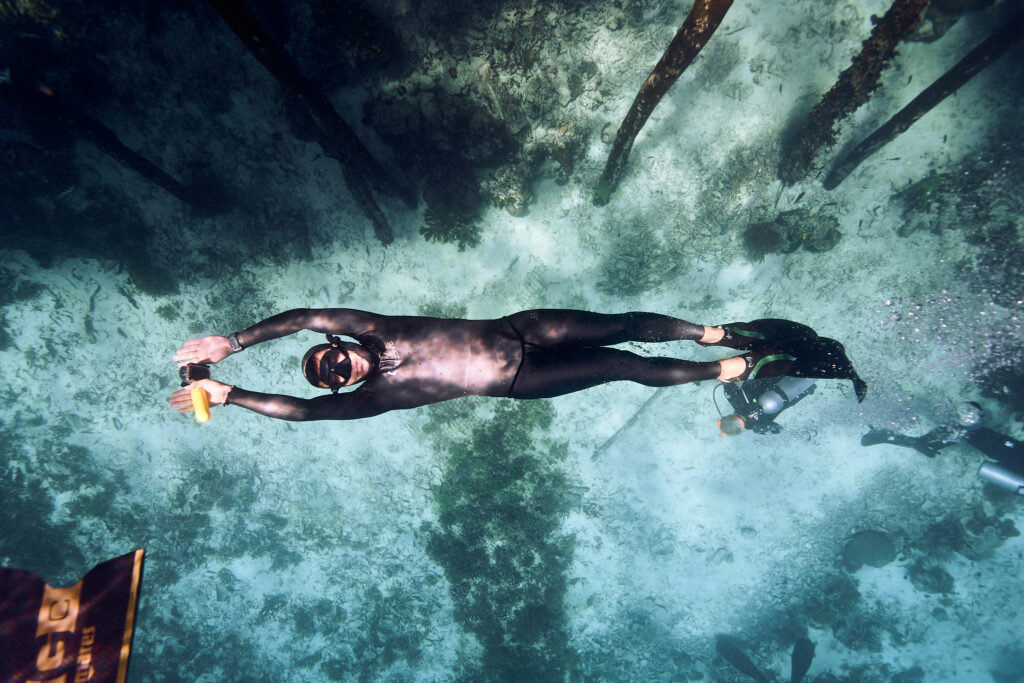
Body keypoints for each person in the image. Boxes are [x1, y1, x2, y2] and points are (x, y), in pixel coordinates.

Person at [169, 308, 866, 421]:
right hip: (519, 380)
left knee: (623, 322)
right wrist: (229, 396)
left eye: (331, 358)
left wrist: (232, 342)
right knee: (624, 363)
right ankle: (731, 372)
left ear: (337, 344)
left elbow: (302, 316)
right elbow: (299, 412)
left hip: (520, 327)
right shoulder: (370, 397)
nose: (339, 367)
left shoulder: (371, 328)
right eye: (333, 374)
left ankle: (713, 333)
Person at [862, 402, 1023, 487]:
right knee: (964, 432)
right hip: (1003, 450)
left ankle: (887, 435)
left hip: (1003, 449)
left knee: (965, 431)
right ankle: (891, 436)